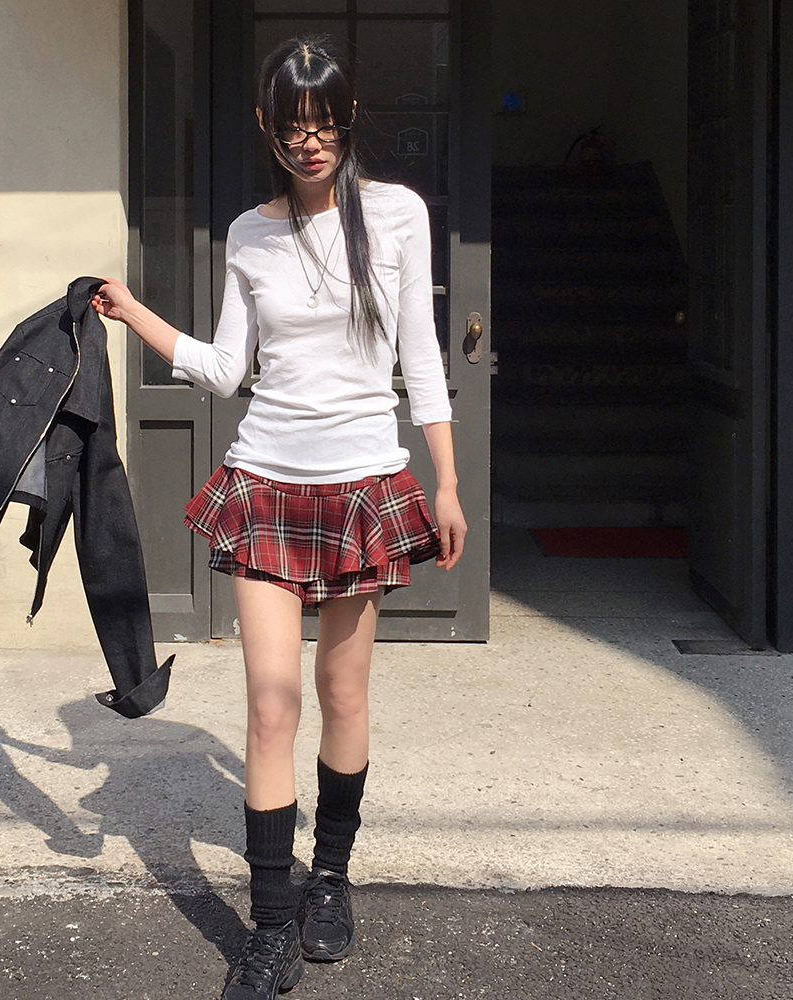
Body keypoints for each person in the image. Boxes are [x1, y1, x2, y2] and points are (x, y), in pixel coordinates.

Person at [92, 34, 466, 1000]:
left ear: (348, 120)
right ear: (267, 126)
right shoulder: (249, 235)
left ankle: (329, 879)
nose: (311, 143)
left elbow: (421, 356)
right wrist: (132, 310)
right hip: (266, 485)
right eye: (294, 127)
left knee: (343, 695)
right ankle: (268, 929)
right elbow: (227, 369)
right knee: (270, 702)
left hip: (362, 488)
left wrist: (446, 481)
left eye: (325, 124)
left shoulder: (397, 216)